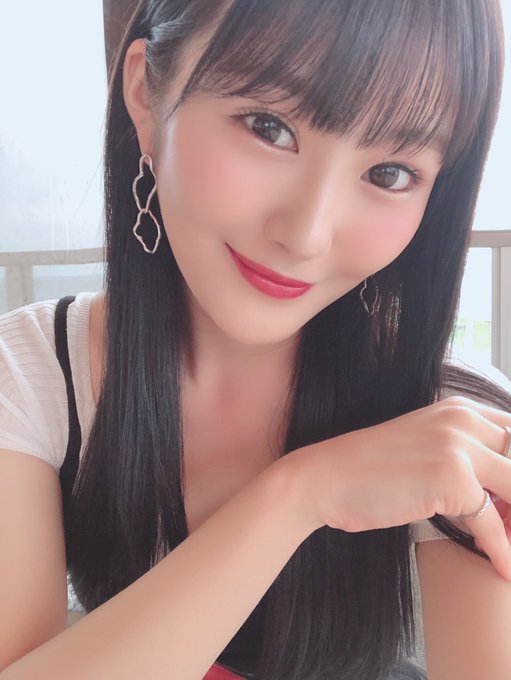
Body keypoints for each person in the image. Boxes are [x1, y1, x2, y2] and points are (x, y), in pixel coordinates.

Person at [1, 0, 511, 678]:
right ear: (147, 93)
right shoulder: (33, 373)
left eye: (389, 173)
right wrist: (300, 495)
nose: (307, 234)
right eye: (269, 127)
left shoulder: (449, 421)